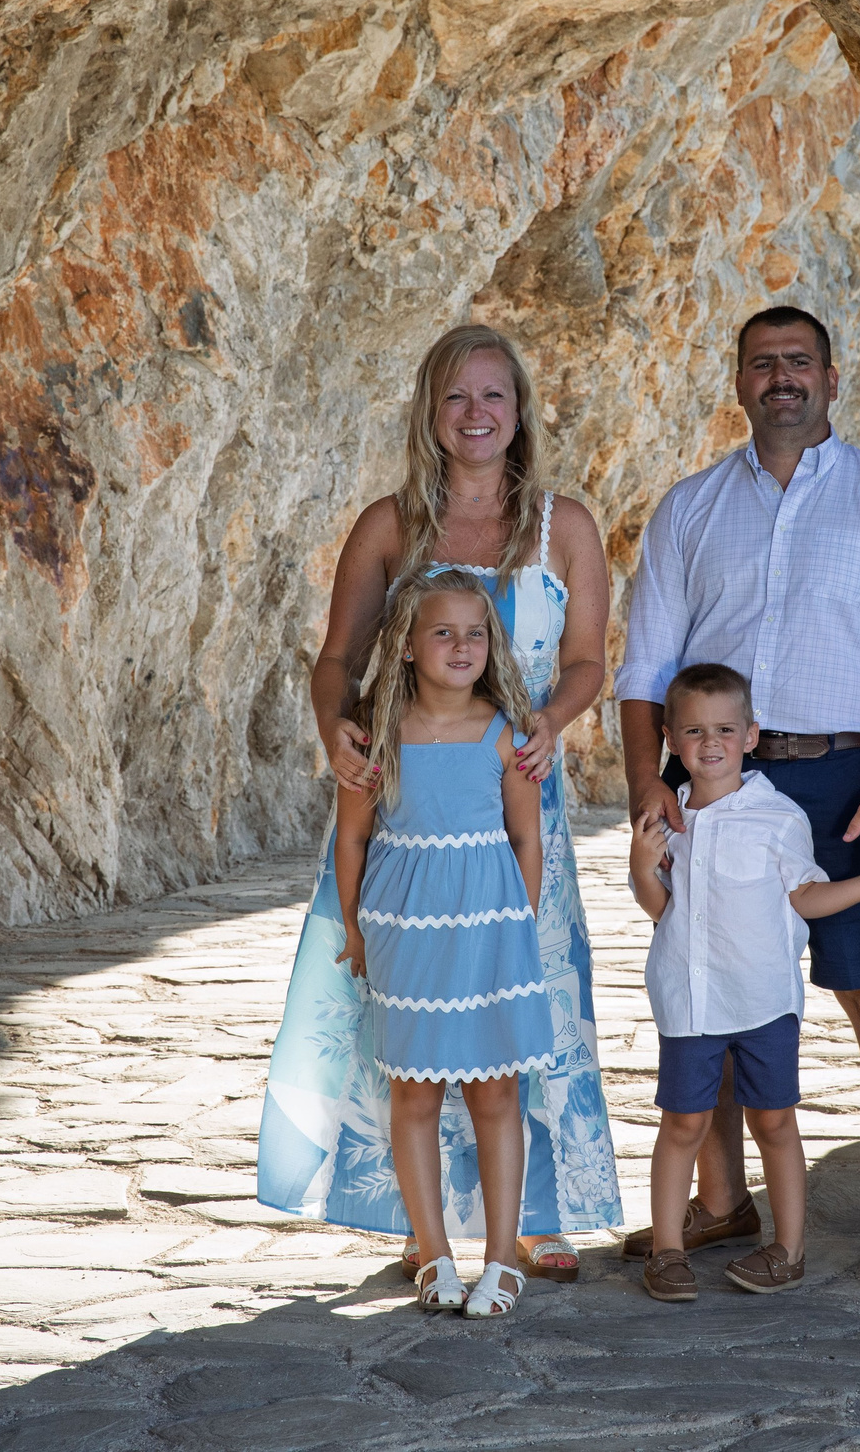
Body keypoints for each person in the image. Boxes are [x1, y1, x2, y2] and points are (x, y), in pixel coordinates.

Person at [258, 325, 622, 1277]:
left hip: (518, 801)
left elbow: (589, 659)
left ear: (519, 412)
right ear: (430, 411)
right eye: (457, 397)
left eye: (494, 396)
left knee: (528, 1008)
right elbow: (338, 656)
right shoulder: (391, 526)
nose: (476, 414)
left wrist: (552, 721)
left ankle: (537, 1214)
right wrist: (336, 727)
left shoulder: (565, 527)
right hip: (408, 812)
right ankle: (423, 1229)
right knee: (409, 1014)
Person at [613, 305, 860, 1293]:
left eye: (798, 361)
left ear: (831, 378)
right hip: (713, 784)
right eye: (763, 363)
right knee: (709, 991)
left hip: (848, 779)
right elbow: (646, 667)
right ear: (739, 381)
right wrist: (649, 781)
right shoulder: (690, 509)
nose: (781, 379)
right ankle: (722, 1207)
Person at [629, 662, 860, 1301]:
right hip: (689, 999)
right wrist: (644, 864)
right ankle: (667, 1251)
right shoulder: (669, 818)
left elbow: (802, 897)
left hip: (762, 1000)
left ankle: (788, 1248)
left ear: (751, 735)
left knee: (774, 1120)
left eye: (725, 728)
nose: (711, 743)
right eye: (694, 731)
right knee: (681, 1123)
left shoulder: (778, 818)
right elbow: (662, 907)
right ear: (670, 738)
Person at [332, 570, 554, 1317]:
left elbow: (526, 837)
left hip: (490, 934)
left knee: (496, 1092)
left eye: (476, 632)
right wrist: (357, 927)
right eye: (443, 631)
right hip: (407, 934)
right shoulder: (377, 735)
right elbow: (354, 838)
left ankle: (501, 1257)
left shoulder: (505, 732)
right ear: (406, 646)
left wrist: (514, 928)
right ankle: (434, 1254)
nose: (462, 645)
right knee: (415, 1091)